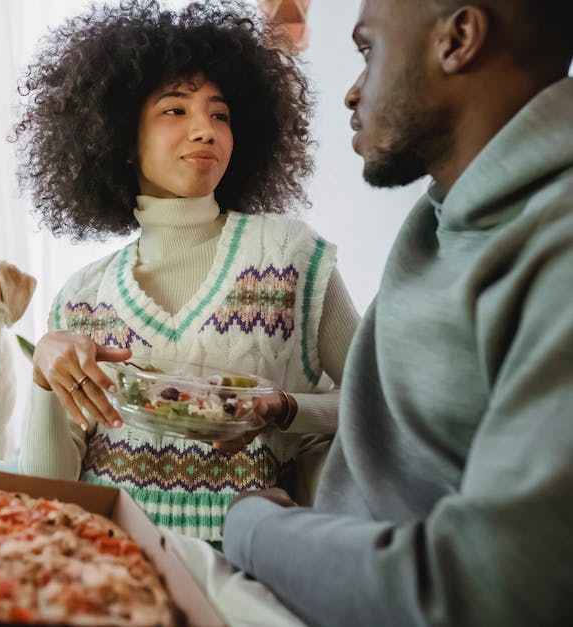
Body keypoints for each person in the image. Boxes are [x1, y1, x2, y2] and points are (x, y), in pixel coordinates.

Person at [222, 0, 573, 625]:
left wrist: (255, 527)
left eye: (368, 49)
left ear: (458, 38)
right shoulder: (441, 221)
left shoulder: (556, 251)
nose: (352, 93)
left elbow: (487, 592)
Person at [14, 0, 360, 543]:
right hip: (114, 565)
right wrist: (43, 376)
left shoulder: (292, 254)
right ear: (122, 138)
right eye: (175, 110)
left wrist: (284, 409)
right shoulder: (81, 296)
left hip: (254, 561)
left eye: (219, 114)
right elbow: (48, 495)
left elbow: (380, 400)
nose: (205, 130)